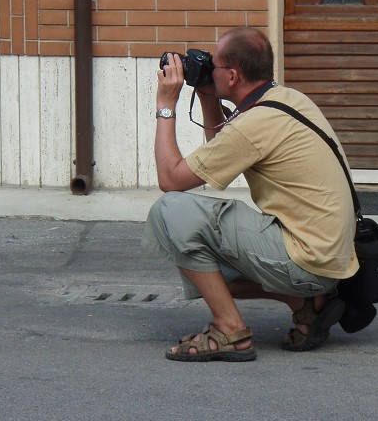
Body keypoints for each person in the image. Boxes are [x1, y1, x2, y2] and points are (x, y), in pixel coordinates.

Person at [144, 27, 359, 362]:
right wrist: (207, 96)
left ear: (232, 75)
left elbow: (171, 179)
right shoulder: (286, 100)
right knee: (204, 269)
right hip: (329, 257)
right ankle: (304, 304)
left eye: (212, 65)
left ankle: (229, 329)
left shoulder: (253, 125)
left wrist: (165, 104)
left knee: (170, 212)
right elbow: (218, 157)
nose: (206, 67)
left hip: (308, 259)